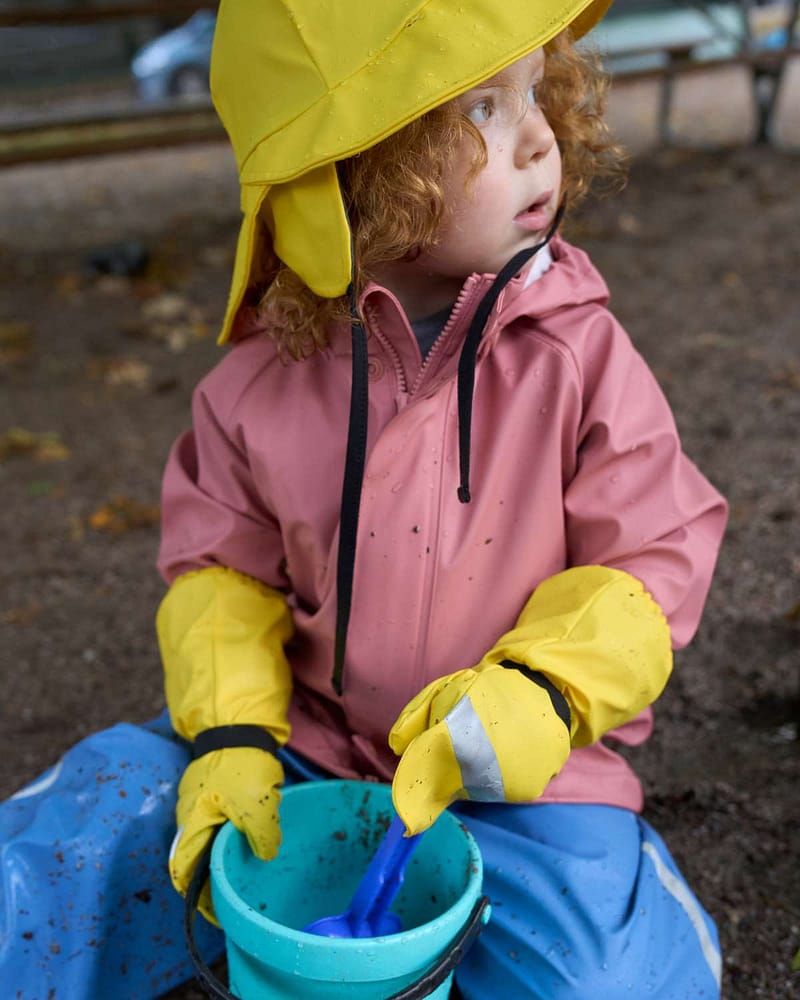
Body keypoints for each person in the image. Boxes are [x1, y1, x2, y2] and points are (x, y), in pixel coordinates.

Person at [0, 1, 728, 998]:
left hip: (521, 780)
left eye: (532, 91)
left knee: (600, 978)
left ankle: (631, 911)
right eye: (477, 109)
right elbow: (221, 580)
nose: (535, 136)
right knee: (84, 825)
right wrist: (229, 737)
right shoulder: (258, 385)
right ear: (356, 171)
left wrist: (537, 695)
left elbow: (648, 559)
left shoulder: (579, 358)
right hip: (301, 755)